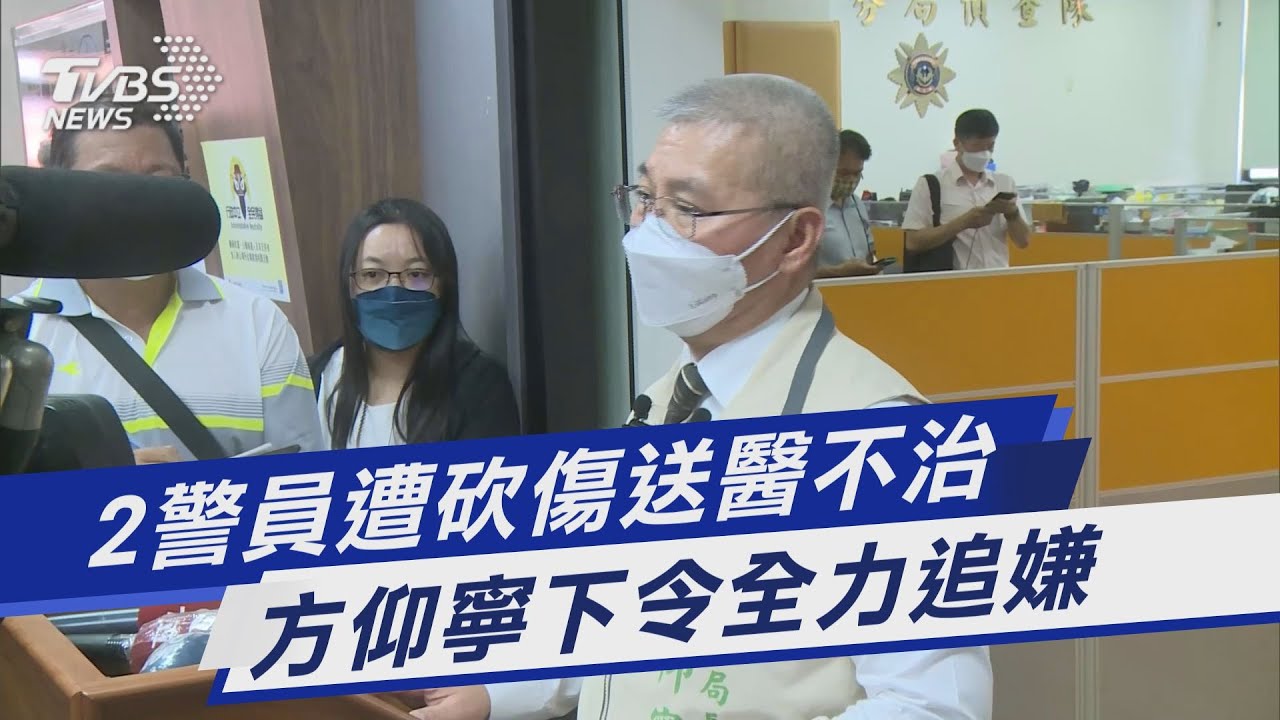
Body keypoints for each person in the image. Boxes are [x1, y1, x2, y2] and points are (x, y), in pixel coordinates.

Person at [421, 74, 993, 720]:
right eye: (645, 197)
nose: (646, 233)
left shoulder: (882, 439)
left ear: (795, 239)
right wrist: (492, 694)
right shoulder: (670, 399)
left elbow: (933, 707)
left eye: (687, 209)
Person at [12, 100, 324, 462]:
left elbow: (306, 479)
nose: (136, 206)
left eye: (158, 182)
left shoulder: (258, 325)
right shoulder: (17, 337)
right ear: (58, 192)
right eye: (106, 183)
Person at [314, 198, 520, 448]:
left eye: (416, 274)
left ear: (444, 285)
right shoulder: (317, 378)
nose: (393, 290)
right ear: (349, 286)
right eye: (372, 274)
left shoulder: (482, 389)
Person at [902, 109, 1030, 271]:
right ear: (957, 144)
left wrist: (1013, 214)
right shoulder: (931, 185)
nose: (984, 154)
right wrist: (962, 223)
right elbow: (913, 242)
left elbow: (1023, 242)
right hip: (953, 280)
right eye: (976, 147)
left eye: (990, 146)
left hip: (998, 278)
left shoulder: (1004, 183)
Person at [817, 130, 882, 278]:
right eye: (844, 173)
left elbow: (868, 253)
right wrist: (838, 272)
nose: (851, 180)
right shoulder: (807, 208)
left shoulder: (858, 205)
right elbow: (788, 275)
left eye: (857, 173)